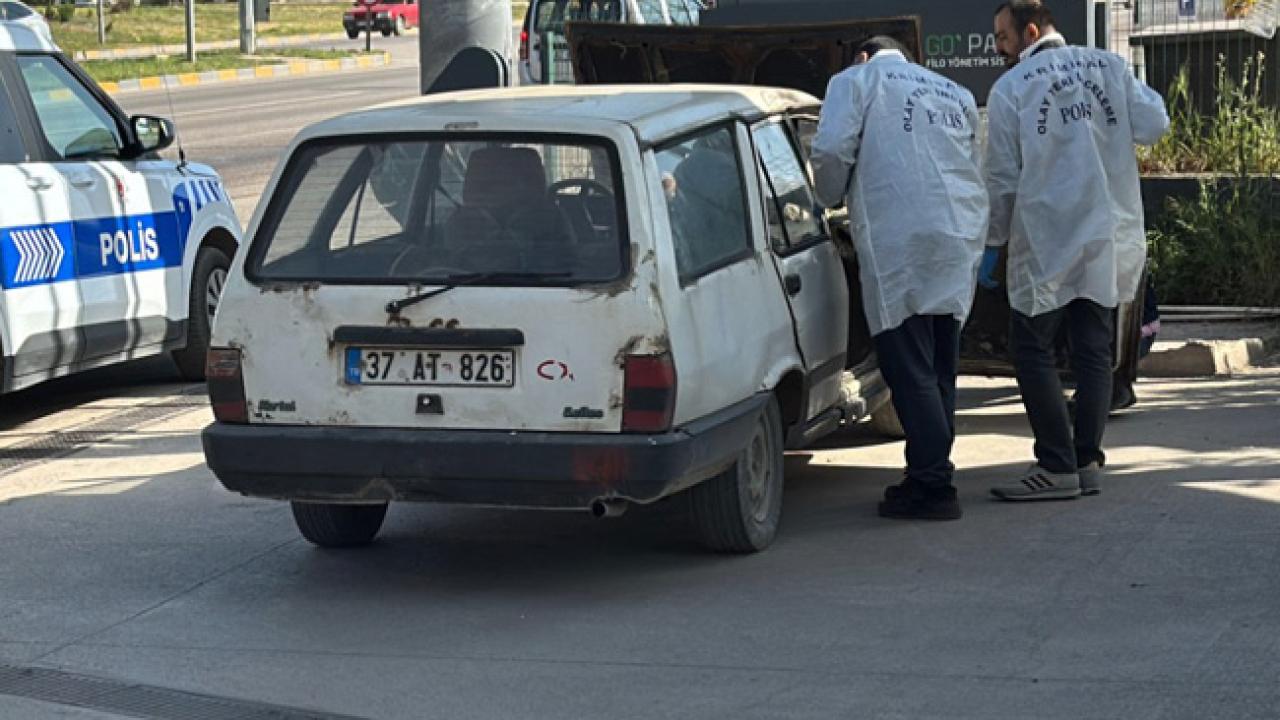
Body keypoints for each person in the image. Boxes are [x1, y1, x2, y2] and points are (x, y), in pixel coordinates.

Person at [982, 0, 1169, 501]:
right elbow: (1155, 125)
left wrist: (991, 245)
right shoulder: (1111, 66)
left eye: (1002, 37)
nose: (997, 47)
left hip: (1048, 239)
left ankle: (1056, 465)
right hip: (1107, 233)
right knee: (1093, 348)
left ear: (1030, 31)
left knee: (1033, 348)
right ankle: (1086, 460)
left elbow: (1001, 179)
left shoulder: (1011, 89)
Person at [811, 36, 988, 521]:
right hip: (957, 234)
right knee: (938, 365)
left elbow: (829, 153)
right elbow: (973, 164)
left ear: (863, 55)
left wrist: (825, 199)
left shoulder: (857, 80)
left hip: (901, 239)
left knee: (908, 367)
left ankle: (935, 486)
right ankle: (925, 472)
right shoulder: (953, 91)